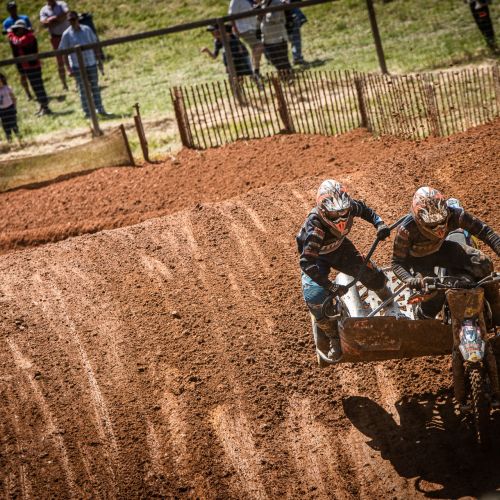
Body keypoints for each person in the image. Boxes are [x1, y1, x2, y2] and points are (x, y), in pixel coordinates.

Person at [297, 179, 392, 361]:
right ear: (324, 210)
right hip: (317, 258)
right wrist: (330, 286)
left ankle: (385, 294)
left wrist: (379, 223)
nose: (341, 217)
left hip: (340, 248)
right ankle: (333, 336)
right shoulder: (315, 227)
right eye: (335, 213)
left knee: (370, 273)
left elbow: (365, 209)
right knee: (315, 297)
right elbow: (306, 263)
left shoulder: (350, 207)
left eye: (343, 212)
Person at [392, 186, 500, 324]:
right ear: (419, 219)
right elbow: (397, 262)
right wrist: (410, 279)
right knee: (433, 293)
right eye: (432, 224)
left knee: (483, 264)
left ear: (446, 210)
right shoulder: (406, 230)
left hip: (442, 249)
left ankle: (496, 310)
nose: (439, 228)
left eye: (442, 221)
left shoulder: (455, 215)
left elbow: (486, 233)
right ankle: (423, 317)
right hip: (419, 260)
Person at [59, 11, 108, 118]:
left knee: (95, 86)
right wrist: (68, 69)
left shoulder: (87, 29)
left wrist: (99, 60)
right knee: (83, 89)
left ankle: (100, 109)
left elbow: (95, 45)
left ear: (77, 19)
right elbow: (64, 53)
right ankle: (87, 112)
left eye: (73, 19)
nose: (72, 22)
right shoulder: (66, 34)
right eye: (69, 20)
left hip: (91, 62)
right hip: (77, 66)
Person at [7, 18, 52, 116]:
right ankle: (42, 106)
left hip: (33, 66)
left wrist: (10, 34)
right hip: (27, 67)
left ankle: (46, 107)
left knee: (38, 87)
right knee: (35, 87)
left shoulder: (29, 36)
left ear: (23, 29)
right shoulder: (22, 36)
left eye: (19, 29)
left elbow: (17, 42)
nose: (17, 31)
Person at [2, 1, 33, 99]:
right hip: (16, 50)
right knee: (22, 73)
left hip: (27, 48)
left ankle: (36, 90)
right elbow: (7, 34)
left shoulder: (24, 18)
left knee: (32, 71)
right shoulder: (6, 22)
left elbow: (30, 29)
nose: (13, 10)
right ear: (8, 10)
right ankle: (28, 93)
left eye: (14, 8)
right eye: (11, 8)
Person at [228, 0, 264, 80]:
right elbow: (231, 15)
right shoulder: (235, 1)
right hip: (243, 29)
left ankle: (254, 73)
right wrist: (235, 29)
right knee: (259, 46)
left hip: (252, 28)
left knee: (255, 49)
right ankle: (255, 72)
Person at [39, 0, 70, 90]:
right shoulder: (43, 10)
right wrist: (58, 19)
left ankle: (78, 80)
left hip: (68, 35)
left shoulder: (62, 4)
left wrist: (52, 20)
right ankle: (64, 84)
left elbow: (65, 15)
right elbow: (44, 24)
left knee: (74, 57)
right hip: (56, 38)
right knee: (60, 62)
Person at [259, 0, 292, 73]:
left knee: (282, 61)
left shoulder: (277, 3)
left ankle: (289, 76)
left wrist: (264, 12)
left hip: (278, 38)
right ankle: (285, 76)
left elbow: (275, 18)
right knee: (273, 60)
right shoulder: (263, 3)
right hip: (267, 39)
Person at [284, 0, 307, 65]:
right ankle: (295, 58)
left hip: (292, 18)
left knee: (295, 37)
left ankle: (297, 58)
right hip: (282, 19)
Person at [0, 73, 20, 142]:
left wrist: (14, 107)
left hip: (10, 108)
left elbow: (13, 98)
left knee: (13, 123)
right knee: (5, 125)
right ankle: (9, 139)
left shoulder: (7, 88)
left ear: (2, 80)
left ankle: (18, 136)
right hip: (1, 110)